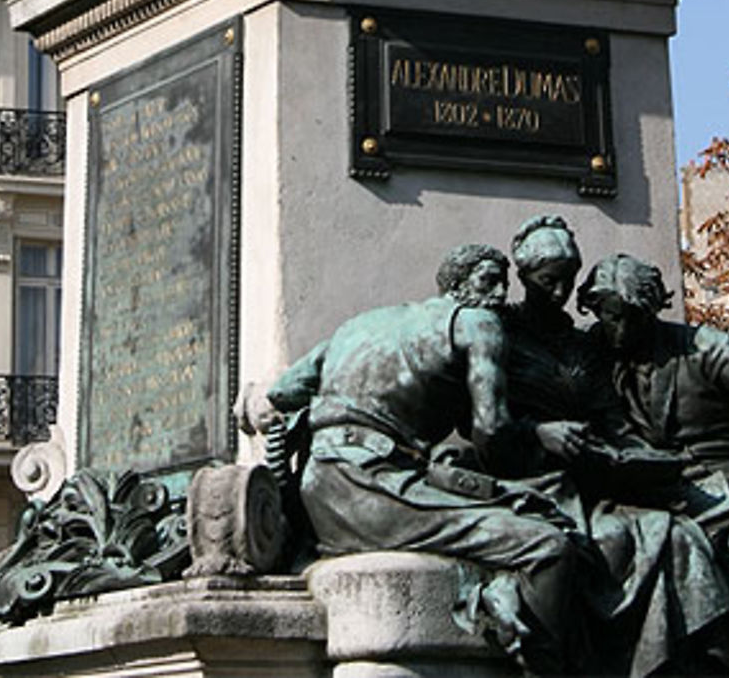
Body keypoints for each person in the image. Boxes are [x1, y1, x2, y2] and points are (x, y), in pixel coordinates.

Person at [237, 243, 583, 675]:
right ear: (458, 285)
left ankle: (501, 596)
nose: (498, 294)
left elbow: (284, 392)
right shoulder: (478, 323)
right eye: (487, 280)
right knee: (548, 547)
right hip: (378, 492)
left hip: (321, 495)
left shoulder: (358, 326)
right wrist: (539, 434)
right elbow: (492, 433)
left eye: (503, 283)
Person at [502, 216, 729, 677]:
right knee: (611, 541)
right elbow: (481, 425)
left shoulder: (582, 347)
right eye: (548, 281)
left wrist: (642, 457)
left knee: (677, 535)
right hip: (532, 480)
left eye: (567, 282)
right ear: (524, 276)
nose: (558, 293)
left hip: (592, 477)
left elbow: (611, 420)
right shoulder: (498, 333)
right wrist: (537, 433)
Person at [579, 252, 729, 675]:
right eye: (608, 316)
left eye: (629, 318)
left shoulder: (698, 344)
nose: (618, 329)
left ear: (651, 309)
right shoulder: (589, 354)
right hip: (669, 490)